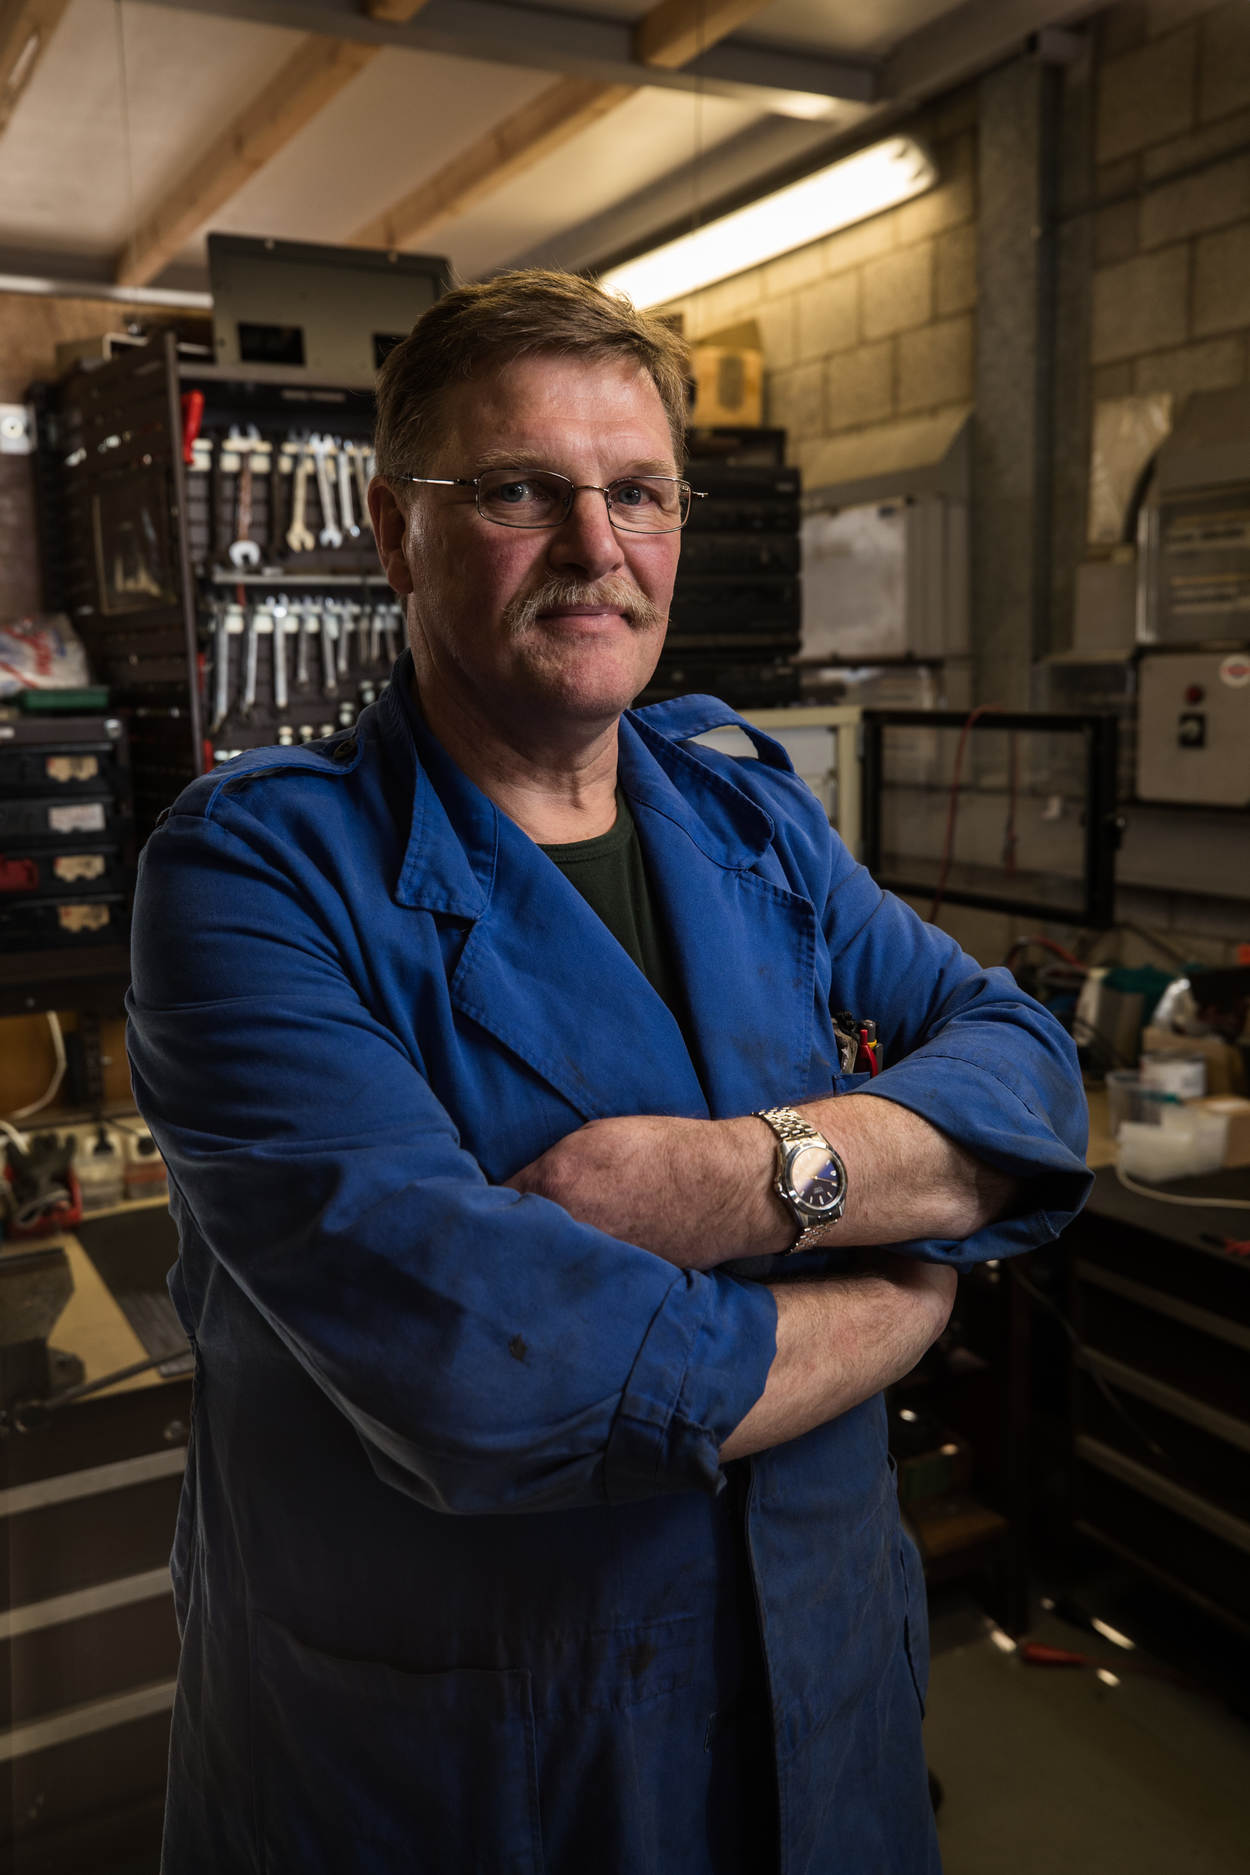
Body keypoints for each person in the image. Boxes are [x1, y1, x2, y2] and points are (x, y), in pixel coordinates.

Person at [127, 269, 1092, 1875]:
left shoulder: (747, 817)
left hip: (823, 1696)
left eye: (636, 492)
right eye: (520, 490)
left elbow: (1028, 1077)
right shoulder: (256, 877)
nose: (596, 547)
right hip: (479, 1763)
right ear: (395, 532)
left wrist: (735, 1182)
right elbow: (490, 1372)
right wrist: (903, 1302)